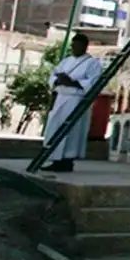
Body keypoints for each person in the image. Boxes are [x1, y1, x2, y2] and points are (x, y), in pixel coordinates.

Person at [41, 33, 104, 173]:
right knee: (55, 128)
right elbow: (54, 75)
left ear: (85, 47)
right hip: (61, 97)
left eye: (78, 45)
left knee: (71, 131)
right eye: (73, 45)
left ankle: (67, 161)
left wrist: (73, 82)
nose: (75, 48)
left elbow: (93, 82)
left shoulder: (92, 63)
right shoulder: (66, 61)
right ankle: (55, 159)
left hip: (76, 99)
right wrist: (57, 81)